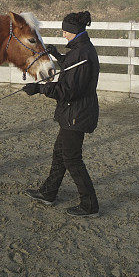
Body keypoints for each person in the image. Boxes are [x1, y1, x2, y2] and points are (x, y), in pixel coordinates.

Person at [22, 11, 100, 217]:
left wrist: (39, 89)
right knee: (60, 154)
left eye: (65, 31)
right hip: (73, 113)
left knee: (72, 159)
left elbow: (68, 90)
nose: (63, 34)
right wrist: (58, 56)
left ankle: (89, 204)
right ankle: (49, 192)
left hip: (77, 113)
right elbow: (72, 70)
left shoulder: (82, 53)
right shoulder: (80, 49)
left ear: (74, 32)